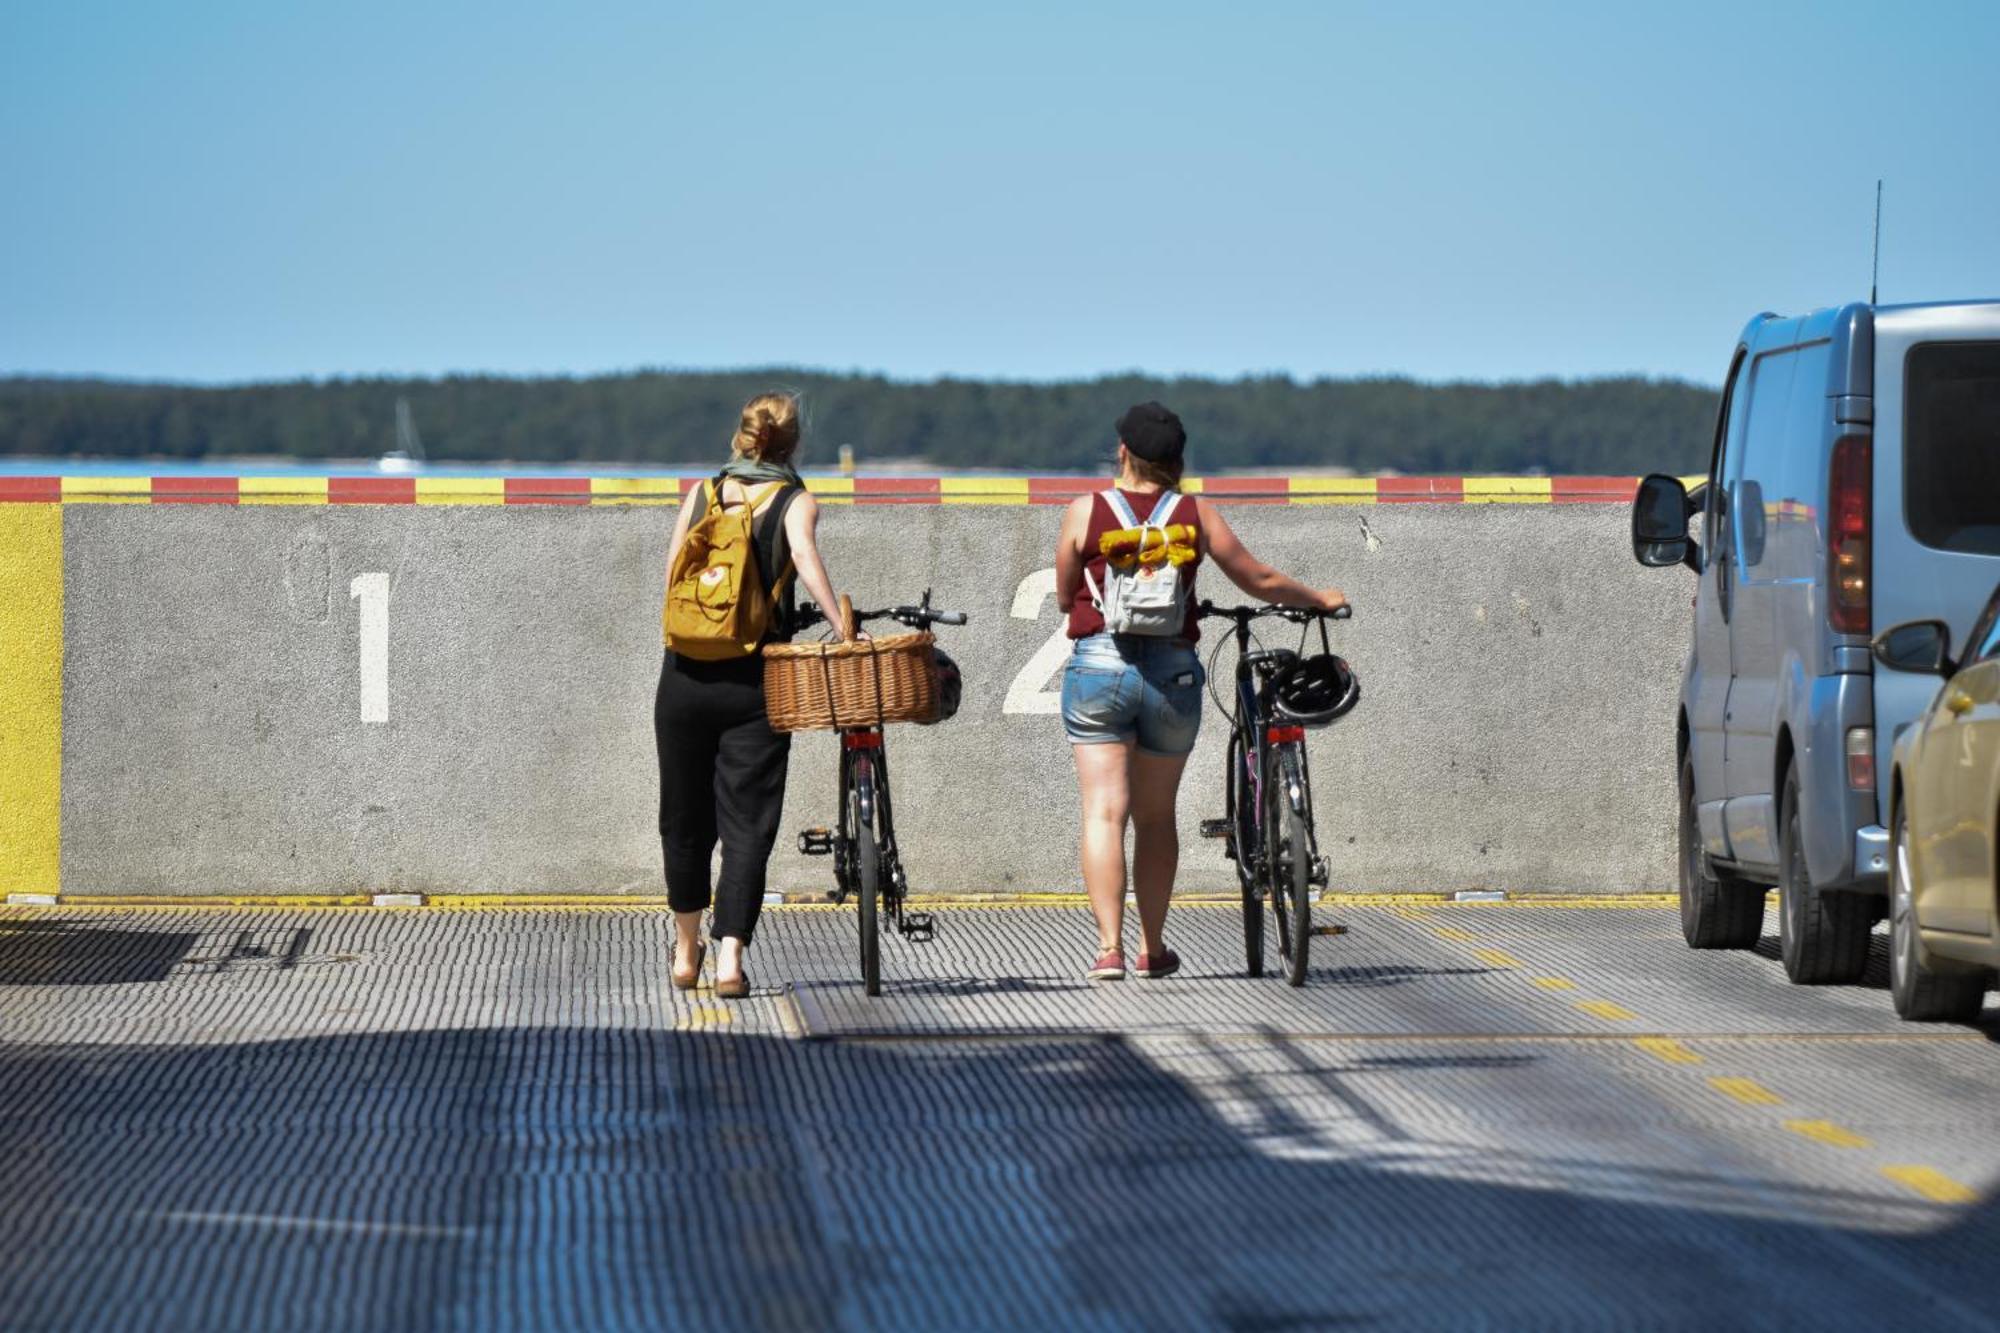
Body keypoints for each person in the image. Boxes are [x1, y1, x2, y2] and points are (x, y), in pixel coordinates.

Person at [1054, 402, 1347, 981]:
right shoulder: (1195, 513)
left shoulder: (1086, 512)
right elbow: (1257, 579)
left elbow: (1066, 594)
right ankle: (1152, 947)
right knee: (1156, 815)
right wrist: (1318, 598)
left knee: (1103, 813)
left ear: (1123, 453)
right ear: (1177, 460)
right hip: (1173, 676)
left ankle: (1108, 949)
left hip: (1099, 669)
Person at [655, 392, 848, 999]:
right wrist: (843, 626)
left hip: (684, 675)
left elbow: (671, 576)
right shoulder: (794, 500)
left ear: (741, 436)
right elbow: (805, 560)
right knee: (747, 825)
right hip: (756, 679)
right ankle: (730, 958)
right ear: (791, 444)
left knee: (684, 821)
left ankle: (686, 954)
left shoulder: (702, 494)